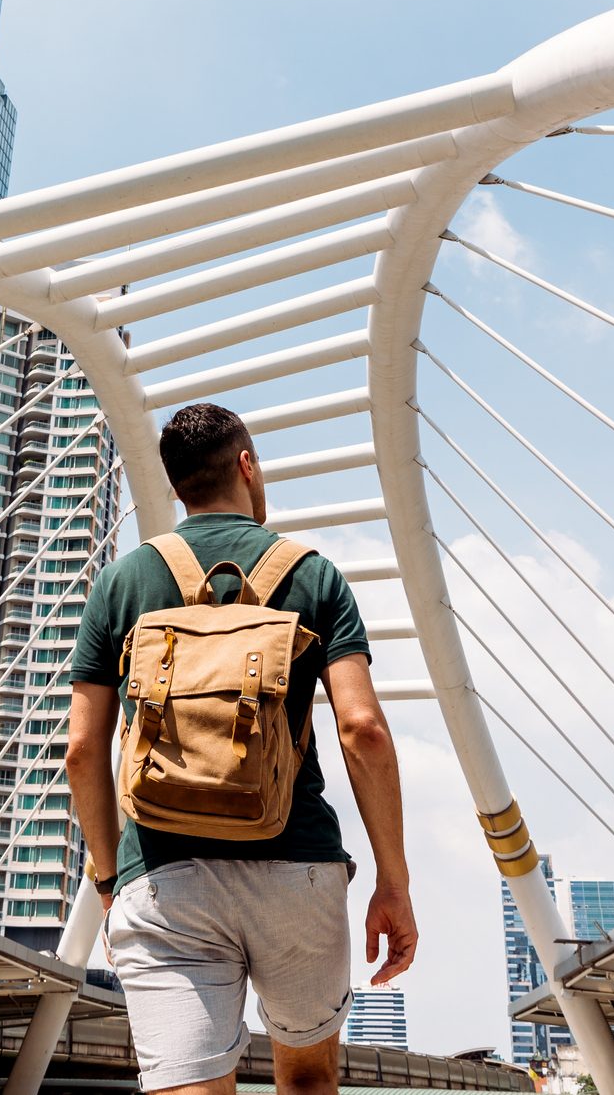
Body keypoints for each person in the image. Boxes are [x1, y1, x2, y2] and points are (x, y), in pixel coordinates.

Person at [68, 402, 417, 1095]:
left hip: (164, 873)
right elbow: (362, 731)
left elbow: (82, 749)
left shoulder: (123, 581)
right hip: (297, 865)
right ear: (247, 466)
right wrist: (392, 882)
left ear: (175, 489)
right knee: (310, 1079)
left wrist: (110, 883)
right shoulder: (313, 576)